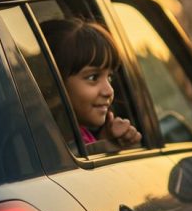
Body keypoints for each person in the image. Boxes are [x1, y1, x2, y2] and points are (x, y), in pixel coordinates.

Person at [40, 18, 142, 151]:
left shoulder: (78, 137)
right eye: (93, 77)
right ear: (55, 82)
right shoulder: (51, 147)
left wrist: (105, 139)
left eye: (109, 77)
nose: (109, 91)